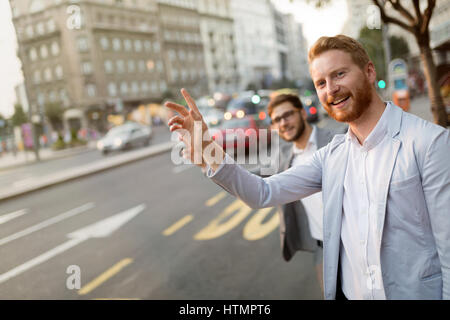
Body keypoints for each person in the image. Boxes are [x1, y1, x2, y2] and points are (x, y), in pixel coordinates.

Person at [165, 35, 450, 300]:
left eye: (339, 74)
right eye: (321, 83)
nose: (331, 89)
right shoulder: (332, 156)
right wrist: (209, 150)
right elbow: (262, 192)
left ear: (369, 72)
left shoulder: (430, 143)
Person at [255, 93, 339, 294]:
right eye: (276, 120)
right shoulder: (284, 158)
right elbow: (253, 180)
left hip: (355, 242)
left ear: (302, 113)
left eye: (287, 115)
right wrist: (209, 161)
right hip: (322, 250)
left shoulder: (336, 140)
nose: (283, 123)